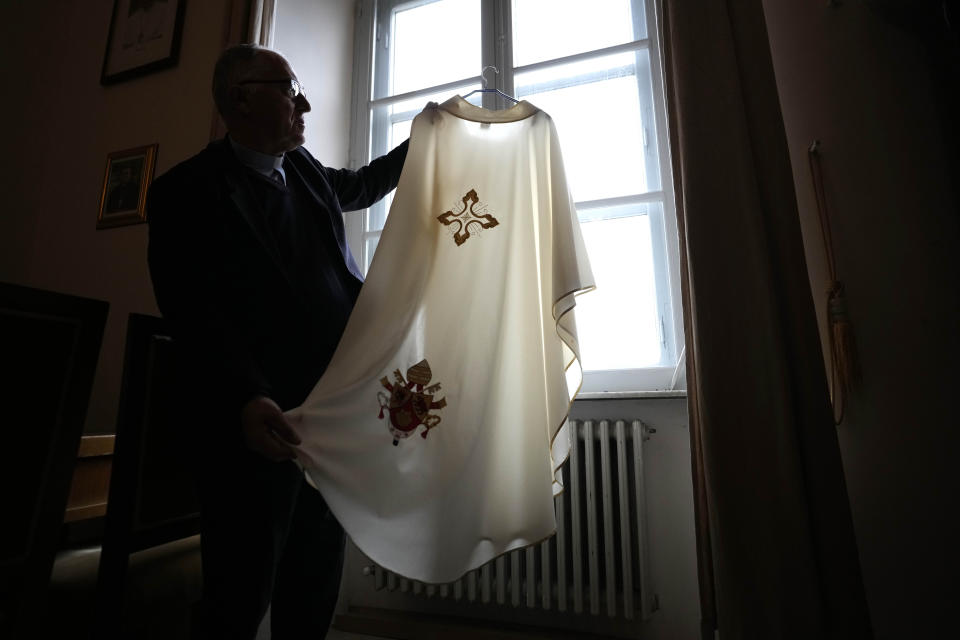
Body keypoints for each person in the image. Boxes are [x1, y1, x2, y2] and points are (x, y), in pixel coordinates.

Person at [146, 43, 408, 639]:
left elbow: (363, 185)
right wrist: (245, 396)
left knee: (314, 579)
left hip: (330, 416)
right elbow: (194, 312)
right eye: (290, 90)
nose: (305, 103)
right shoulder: (185, 191)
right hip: (256, 423)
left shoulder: (307, 170)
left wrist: (428, 141)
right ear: (242, 96)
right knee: (240, 590)